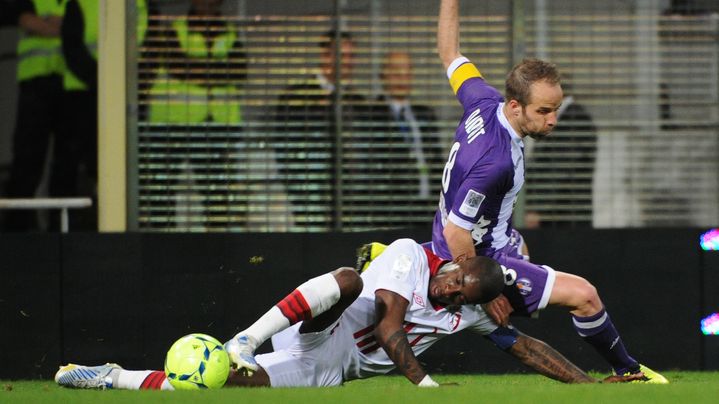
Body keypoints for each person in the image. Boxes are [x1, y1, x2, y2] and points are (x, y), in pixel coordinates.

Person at [429, 0, 667, 383]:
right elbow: (459, 232)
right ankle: (630, 371)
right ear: (516, 106)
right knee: (585, 295)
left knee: (524, 255)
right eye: (543, 111)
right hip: (470, 254)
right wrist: (486, 291)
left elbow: (449, 53)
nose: (553, 120)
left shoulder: (482, 99)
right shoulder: (495, 161)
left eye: (556, 109)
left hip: (494, 237)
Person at [54, 239, 641, 390]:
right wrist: (427, 383)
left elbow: (527, 348)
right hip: (340, 323)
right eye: (456, 273)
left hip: (333, 369)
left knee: (218, 384)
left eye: (461, 287)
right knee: (347, 279)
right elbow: (387, 325)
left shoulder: (474, 313)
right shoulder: (412, 259)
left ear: (469, 297)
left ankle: (113, 377)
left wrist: (587, 386)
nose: (451, 283)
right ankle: (246, 335)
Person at [142, 0, 247, 230]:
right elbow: (177, 66)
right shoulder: (174, 30)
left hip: (217, 125)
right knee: (162, 195)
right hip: (172, 125)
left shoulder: (230, 33)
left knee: (216, 197)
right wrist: (218, 69)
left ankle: (219, 249)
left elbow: (240, 70)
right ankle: (162, 246)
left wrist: (197, 69)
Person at [273, 30, 366, 231]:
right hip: (309, 198)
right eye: (343, 56)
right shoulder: (296, 98)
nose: (349, 63)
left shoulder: (357, 101)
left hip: (349, 203)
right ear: (326, 56)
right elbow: (285, 151)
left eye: (352, 56)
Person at [343, 51, 444, 229]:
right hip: (389, 211)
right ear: (383, 76)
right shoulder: (370, 115)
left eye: (406, 72)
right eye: (395, 71)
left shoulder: (424, 114)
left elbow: (436, 160)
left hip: (426, 209)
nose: (401, 78)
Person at [2, 0, 65, 231]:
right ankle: (17, 234)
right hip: (35, 83)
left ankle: (62, 233)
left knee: (66, 166)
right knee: (27, 162)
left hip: (71, 85)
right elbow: (11, 11)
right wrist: (37, 23)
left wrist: (44, 25)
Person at [523, 81, 598, 228]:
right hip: (558, 215)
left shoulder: (575, 120)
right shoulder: (560, 118)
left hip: (563, 217)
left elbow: (559, 170)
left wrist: (537, 209)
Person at [56, 0, 99, 231]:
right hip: (81, 96)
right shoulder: (80, 3)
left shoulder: (139, 5)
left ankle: (98, 224)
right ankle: (64, 232)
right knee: (69, 165)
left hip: (126, 101)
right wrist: (102, 79)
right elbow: (71, 47)